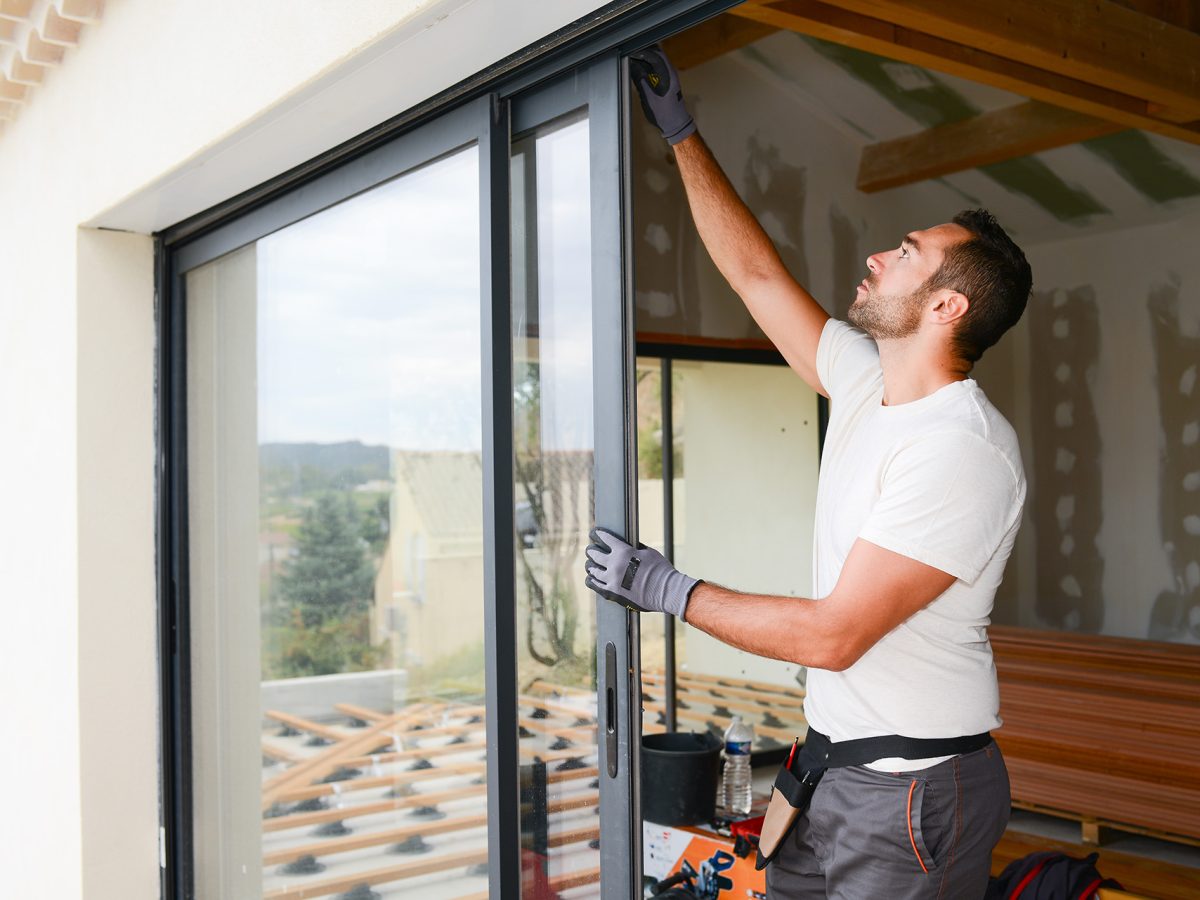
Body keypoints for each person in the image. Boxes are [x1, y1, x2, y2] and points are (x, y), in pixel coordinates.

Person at [585, 46, 1032, 899]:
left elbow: (835, 634)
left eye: (904, 253)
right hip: (829, 769)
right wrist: (681, 134)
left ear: (947, 307)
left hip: (911, 797)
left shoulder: (961, 449)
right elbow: (755, 276)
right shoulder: (867, 378)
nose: (877, 257)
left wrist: (668, 590)